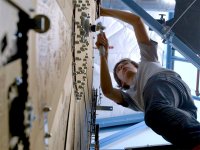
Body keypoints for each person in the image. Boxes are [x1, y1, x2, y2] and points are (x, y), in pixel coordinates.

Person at [95, 7, 200, 150]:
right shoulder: (130, 99)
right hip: (185, 114)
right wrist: (103, 56)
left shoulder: (147, 60)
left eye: (126, 64)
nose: (122, 67)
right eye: (119, 69)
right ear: (121, 82)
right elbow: (107, 91)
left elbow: (137, 22)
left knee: (153, 114)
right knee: (164, 124)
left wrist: (103, 11)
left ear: (136, 66)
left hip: (168, 84)